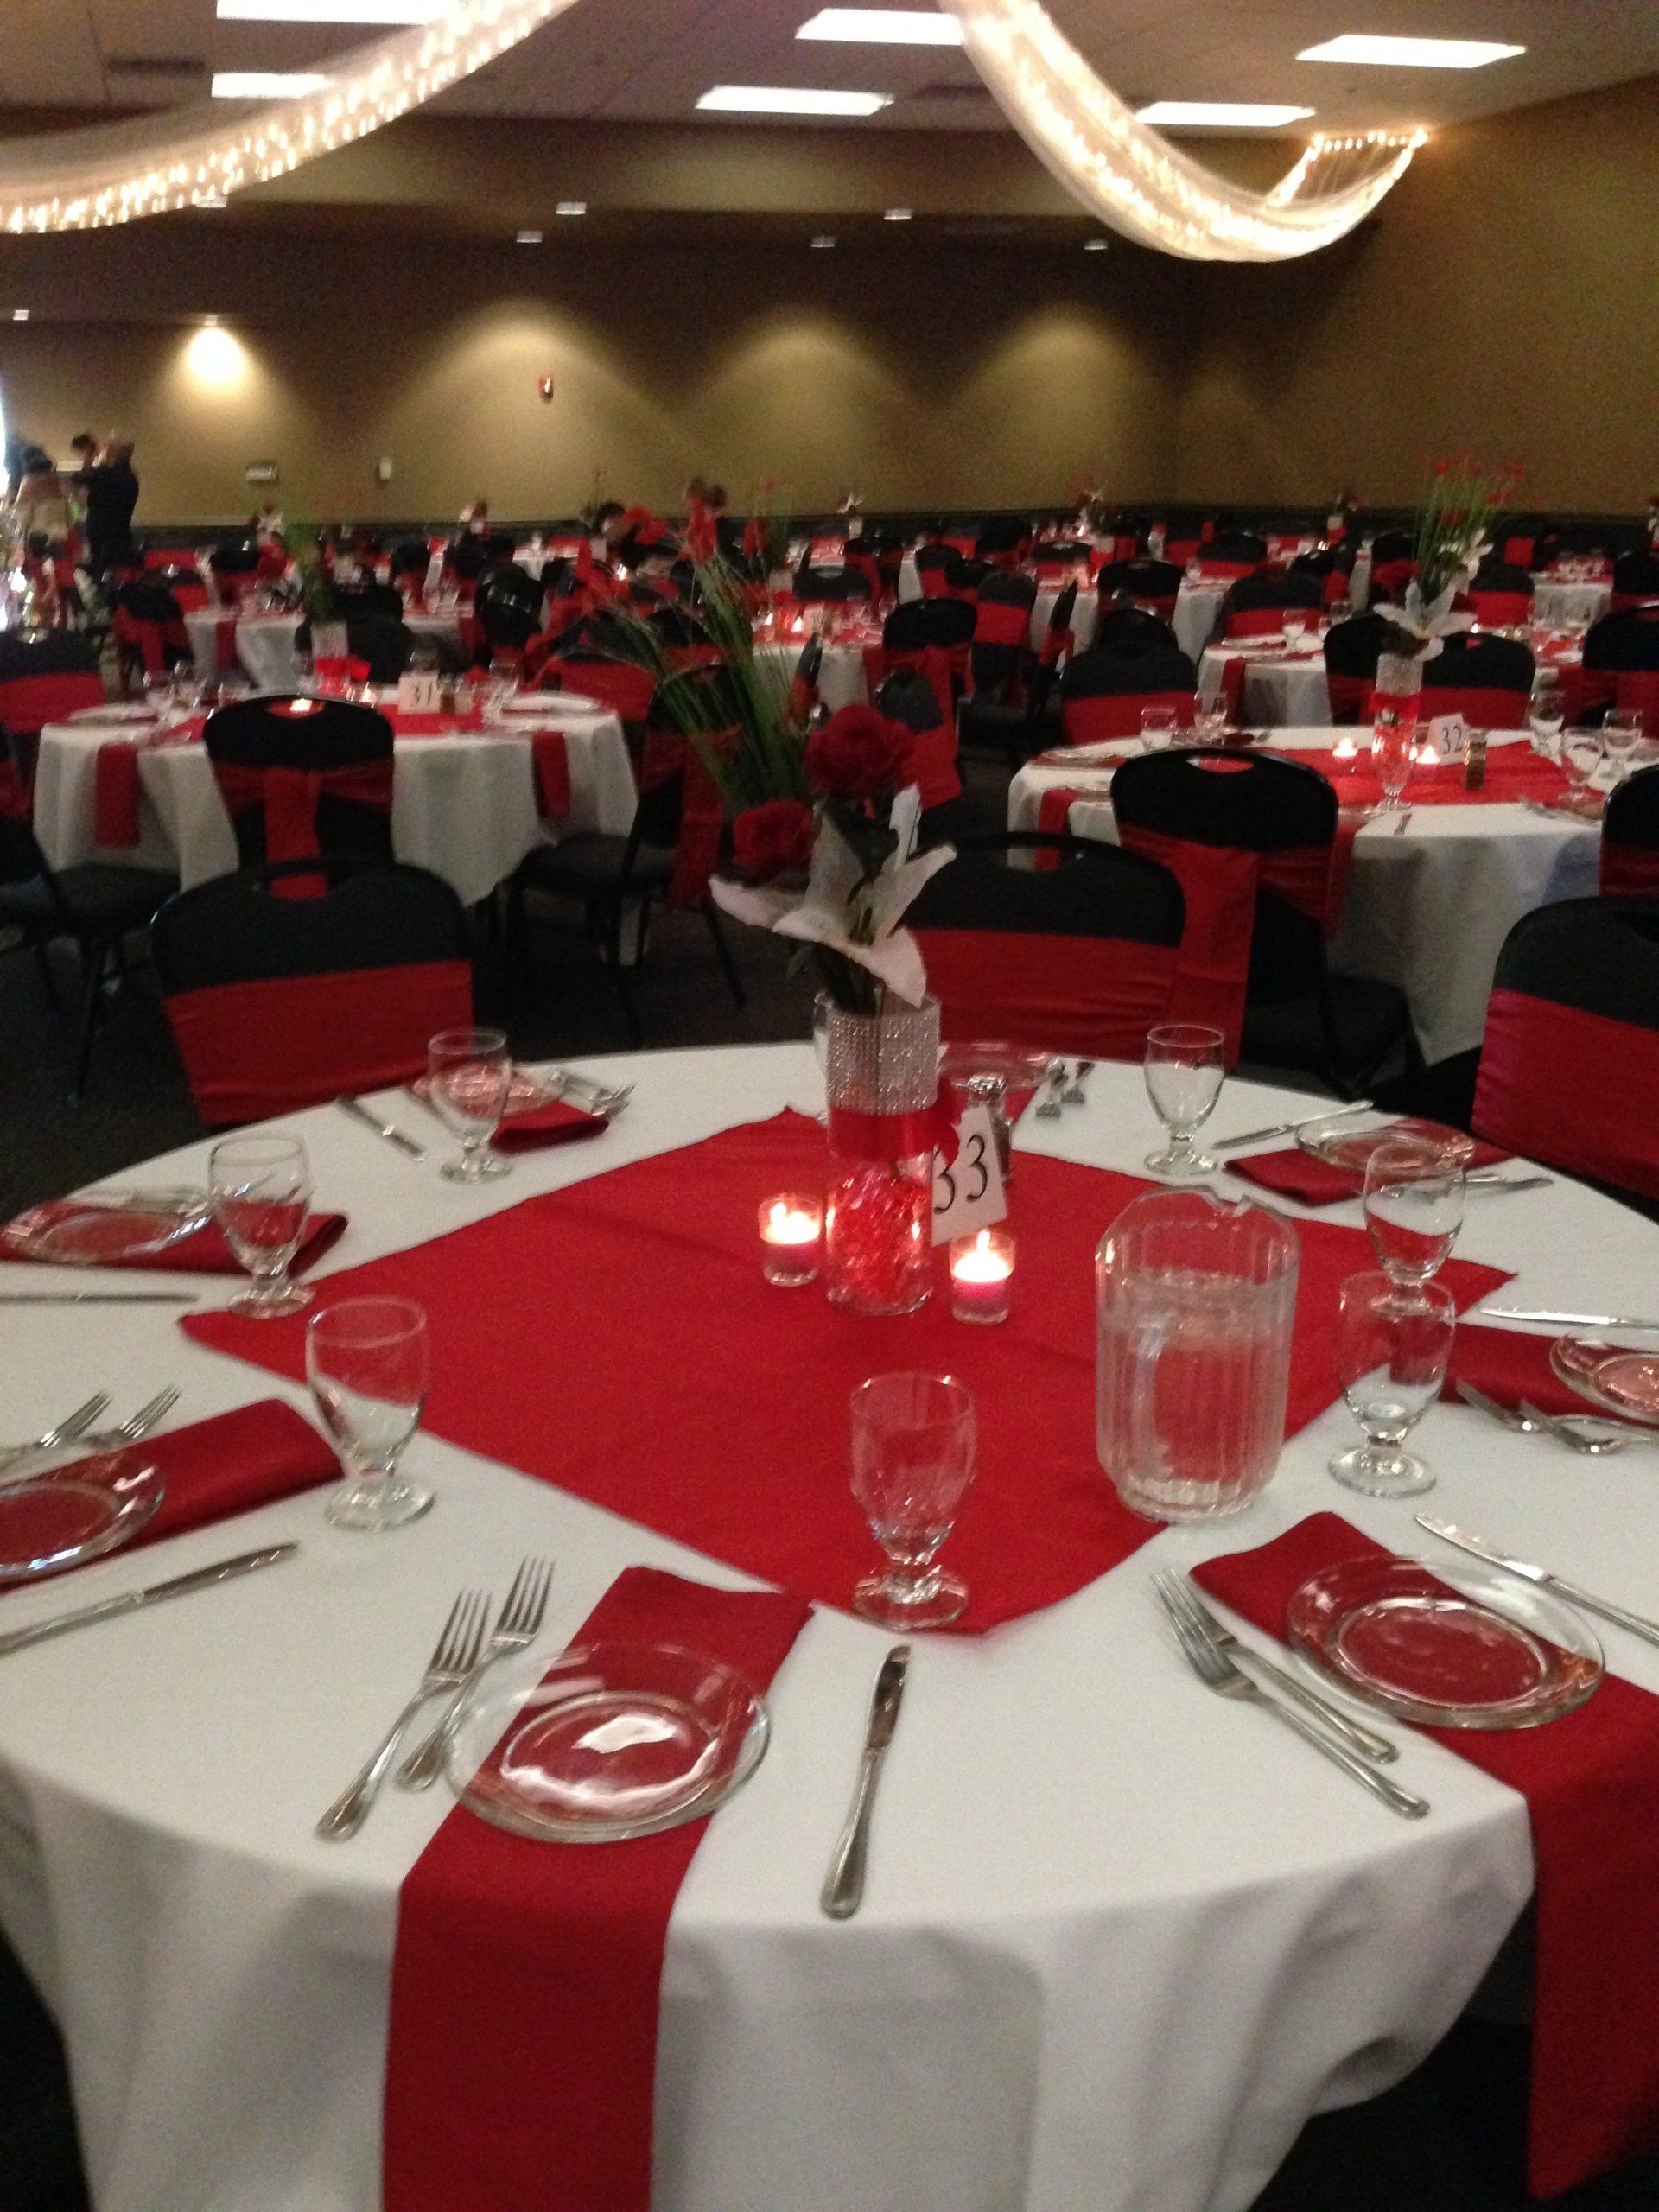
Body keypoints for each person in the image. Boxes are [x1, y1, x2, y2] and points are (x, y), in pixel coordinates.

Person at [73, 435, 140, 572]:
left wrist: (92, 460)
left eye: (104, 449)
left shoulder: (106, 473)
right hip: (121, 538)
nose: (100, 452)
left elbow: (77, 478)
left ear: (112, 453)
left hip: (103, 546)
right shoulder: (130, 475)